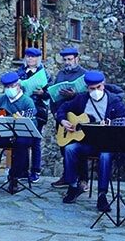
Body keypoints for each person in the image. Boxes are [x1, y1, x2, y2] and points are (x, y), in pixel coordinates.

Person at [57, 70, 125, 212]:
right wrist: (63, 120)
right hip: (87, 142)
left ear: (104, 85)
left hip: (106, 143)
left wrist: (110, 125)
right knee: (70, 149)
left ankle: (102, 195)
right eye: (92, 89)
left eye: (99, 87)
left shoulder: (114, 101)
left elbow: (124, 120)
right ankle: (72, 186)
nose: (95, 91)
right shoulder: (82, 99)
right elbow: (63, 108)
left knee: (105, 156)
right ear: (87, 88)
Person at [50, 47, 88, 189]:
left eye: (70, 59)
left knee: (80, 148)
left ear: (77, 59)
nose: (67, 62)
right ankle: (67, 176)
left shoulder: (84, 75)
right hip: (61, 116)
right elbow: (53, 96)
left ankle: (83, 179)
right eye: (65, 60)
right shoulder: (60, 74)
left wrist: (74, 96)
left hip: (78, 117)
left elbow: (88, 97)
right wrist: (54, 112)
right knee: (63, 147)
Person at [16, 47, 53, 183]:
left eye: (33, 57)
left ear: (38, 59)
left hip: (38, 110)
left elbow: (51, 92)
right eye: (28, 56)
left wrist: (42, 93)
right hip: (23, 110)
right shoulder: (20, 72)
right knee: (23, 138)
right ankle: (23, 170)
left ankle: (35, 170)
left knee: (35, 141)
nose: (30, 59)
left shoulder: (45, 74)